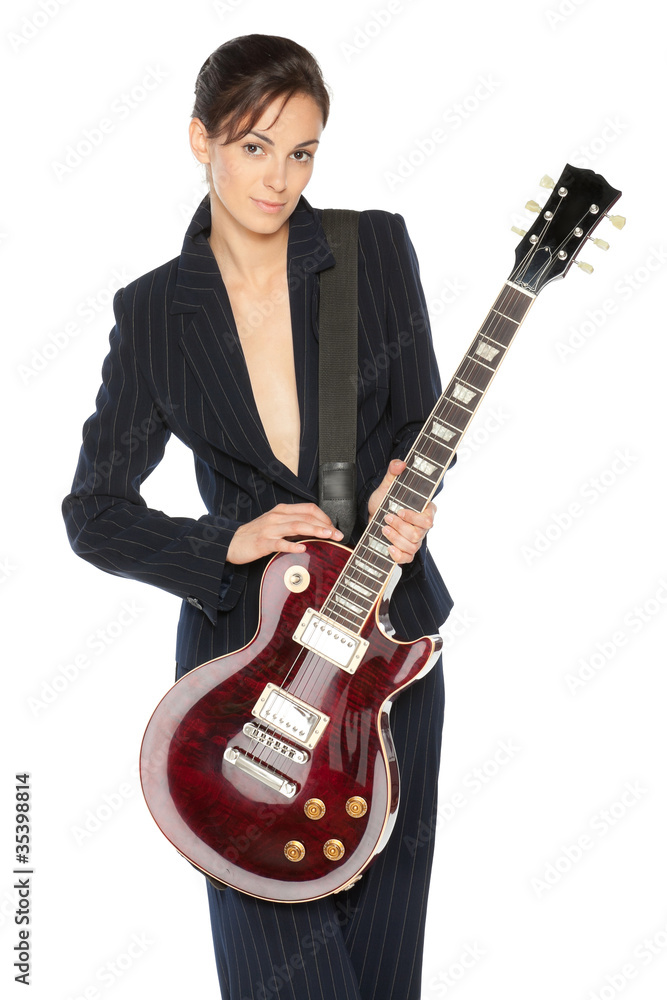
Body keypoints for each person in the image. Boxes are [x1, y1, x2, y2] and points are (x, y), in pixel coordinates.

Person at [62, 33, 455, 1000]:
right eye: (253, 147)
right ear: (200, 140)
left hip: (381, 655)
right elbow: (93, 511)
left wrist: (404, 499)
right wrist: (224, 541)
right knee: (281, 976)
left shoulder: (371, 249)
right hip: (242, 676)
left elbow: (420, 424)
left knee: (383, 965)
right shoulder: (154, 311)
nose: (279, 179)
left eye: (302, 151)